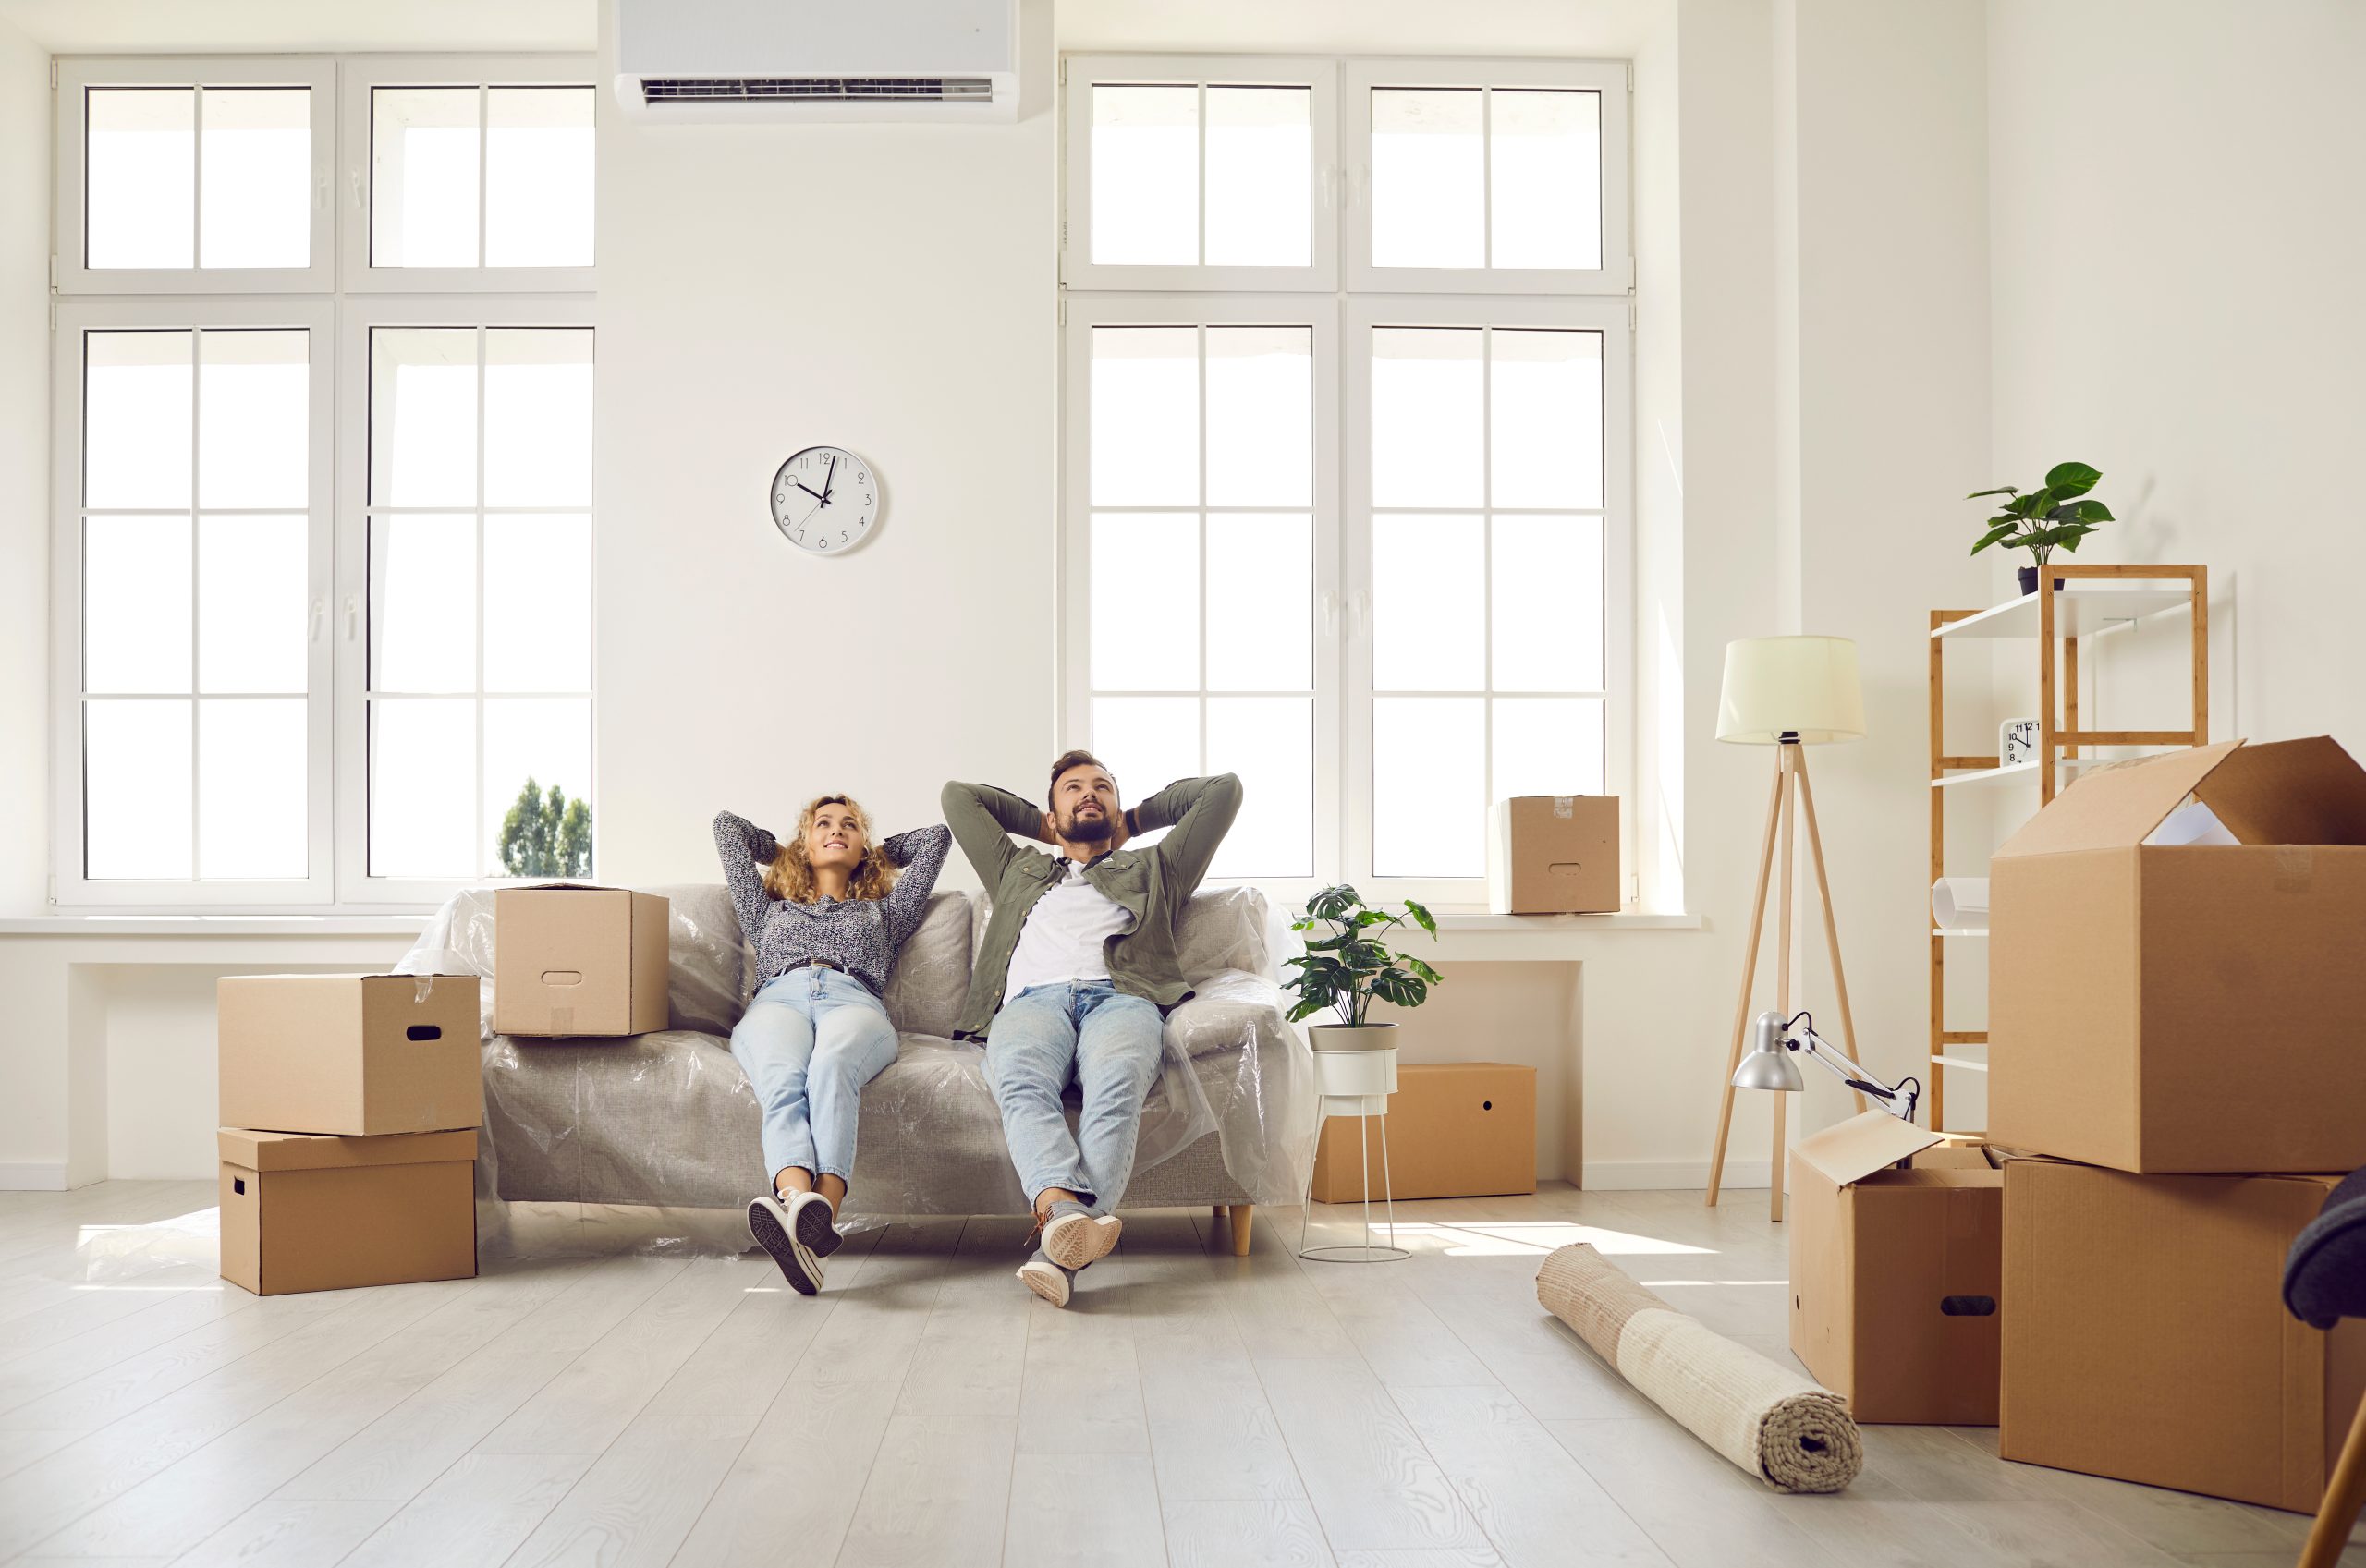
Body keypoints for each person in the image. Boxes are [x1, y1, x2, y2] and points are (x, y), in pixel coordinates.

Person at [943, 753, 1241, 1307]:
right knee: (1020, 1081)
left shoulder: (1158, 868)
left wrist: (1133, 819)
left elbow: (1222, 791)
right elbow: (959, 797)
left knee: (1117, 1086)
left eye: (1102, 787)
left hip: (1123, 999)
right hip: (1034, 1003)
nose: (1089, 794)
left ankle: (1056, 1248)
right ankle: (1065, 1225)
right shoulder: (1017, 869)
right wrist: (1044, 825)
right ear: (1051, 814)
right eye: (1073, 789)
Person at [713, 797, 949, 1295]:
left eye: (850, 826)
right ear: (806, 842)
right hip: (779, 999)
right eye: (823, 825)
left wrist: (879, 851)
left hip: (852, 1001)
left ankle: (819, 1210)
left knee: (832, 1064)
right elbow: (726, 828)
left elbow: (936, 839)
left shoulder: (886, 912)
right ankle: (799, 1208)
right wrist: (782, 852)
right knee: (781, 1077)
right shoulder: (766, 910)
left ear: (862, 844)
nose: (837, 830)